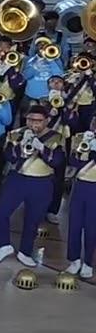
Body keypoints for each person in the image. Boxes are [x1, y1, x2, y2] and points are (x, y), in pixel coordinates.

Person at [0, 105, 63, 267]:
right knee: (0, 210)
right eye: (30, 120)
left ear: (47, 121)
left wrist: (41, 147)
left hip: (42, 182)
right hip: (17, 178)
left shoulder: (55, 137)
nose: (33, 124)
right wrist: (21, 144)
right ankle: (3, 246)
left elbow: (56, 161)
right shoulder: (15, 134)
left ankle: (25, 251)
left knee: (33, 218)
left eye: (38, 121)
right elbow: (9, 156)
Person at [67, 117, 96, 278]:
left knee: (92, 227)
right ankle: (74, 260)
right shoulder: (80, 137)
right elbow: (72, 161)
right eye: (94, 123)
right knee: (75, 224)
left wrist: (93, 151)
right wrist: (82, 150)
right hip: (80, 185)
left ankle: (88, 263)